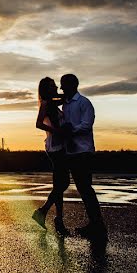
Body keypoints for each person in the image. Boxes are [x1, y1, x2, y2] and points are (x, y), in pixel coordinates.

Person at [58, 73, 106, 238]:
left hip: (83, 151)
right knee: (82, 188)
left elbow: (87, 124)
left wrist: (71, 130)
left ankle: (97, 225)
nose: (61, 88)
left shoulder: (84, 103)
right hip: (71, 151)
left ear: (72, 85)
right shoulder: (66, 105)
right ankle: (94, 223)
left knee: (86, 188)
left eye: (63, 85)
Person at [32, 77, 70, 236]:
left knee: (60, 184)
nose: (55, 87)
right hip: (55, 147)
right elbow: (38, 123)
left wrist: (65, 95)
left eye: (55, 84)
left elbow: (64, 98)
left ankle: (57, 219)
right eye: (52, 85)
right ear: (46, 89)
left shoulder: (52, 102)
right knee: (63, 183)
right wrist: (57, 131)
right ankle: (45, 212)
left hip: (59, 145)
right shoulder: (47, 104)